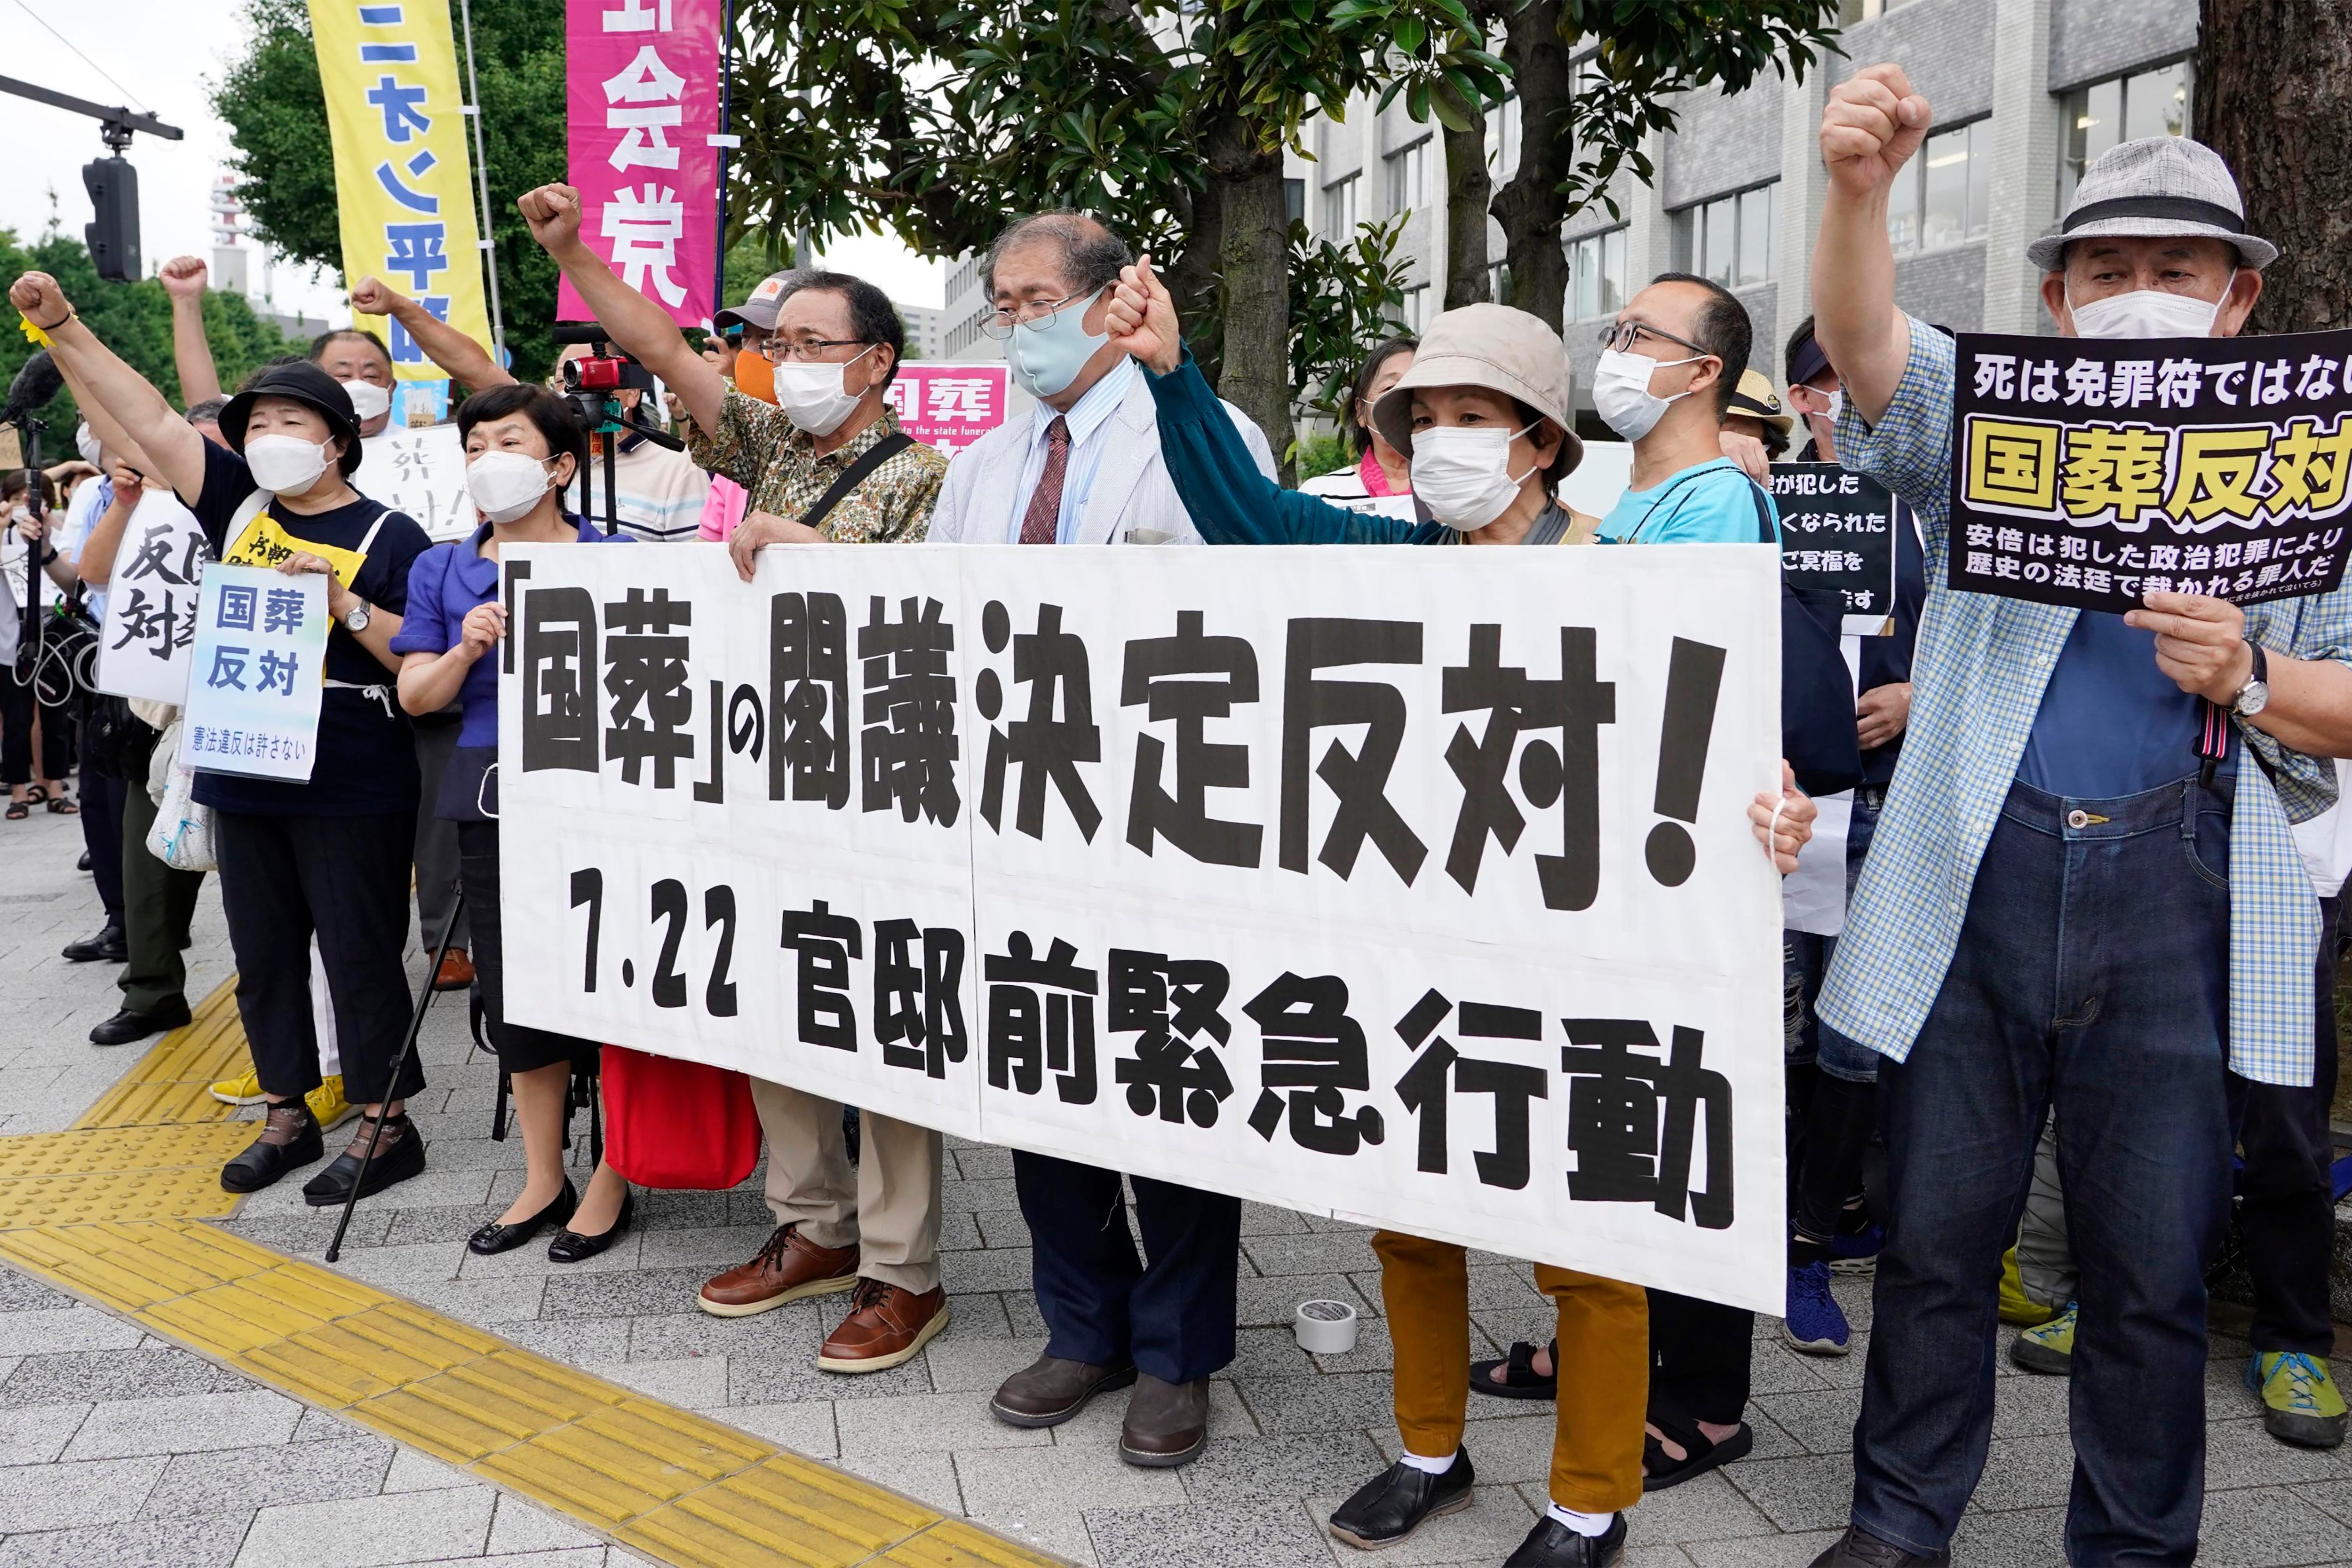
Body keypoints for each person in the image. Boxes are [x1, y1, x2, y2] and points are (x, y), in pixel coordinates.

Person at [1105, 255, 1813, 1565]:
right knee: (1413, 1215)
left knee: (1594, 1245)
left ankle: (1590, 1500)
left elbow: (1728, 745)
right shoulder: (1400, 566)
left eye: (1471, 417)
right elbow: (1252, 518)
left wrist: (1762, 805)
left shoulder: (1635, 572)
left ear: (1542, 440)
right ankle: (1430, 1445)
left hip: (1592, 962)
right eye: (1419, 420)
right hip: (1421, 950)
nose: (1440, 443)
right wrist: (1172, 375)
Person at [1804, 68, 2352, 1568]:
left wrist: (2250, 669)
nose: (2135, 296)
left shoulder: (2317, 459)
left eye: (2172, 271)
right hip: (1980, 865)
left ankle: (2131, 1544)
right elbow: (1865, 355)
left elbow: (2347, 697)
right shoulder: (1996, 421)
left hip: (2189, 883)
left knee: (2150, 1265)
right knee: (1930, 1242)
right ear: (2053, 299)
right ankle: (1896, 1524)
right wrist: (1857, 191)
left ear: (2236, 298)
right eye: (2103, 271)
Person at [517, 180, 956, 1375]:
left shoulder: (934, 474)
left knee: (885, 1021)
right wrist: (578, 253)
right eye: (772, 342)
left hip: (887, 782)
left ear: (873, 362)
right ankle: (807, 1226)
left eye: (810, 344)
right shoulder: (763, 441)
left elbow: (946, 609)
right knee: (785, 1000)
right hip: (767, 778)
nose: (781, 361)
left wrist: (815, 550)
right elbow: (659, 343)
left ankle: (900, 1269)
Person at [15, 268, 436, 1206]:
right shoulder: (240, 506)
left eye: (293, 424)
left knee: (359, 944)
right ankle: (287, 1109)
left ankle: (384, 1121)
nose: (271, 439)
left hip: (351, 763)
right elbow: (155, 418)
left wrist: (342, 601)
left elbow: (417, 652)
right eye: (259, 425)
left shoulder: (392, 533)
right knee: (263, 944)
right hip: (245, 757)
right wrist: (65, 328)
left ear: (337, 440)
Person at [392, 383, 636, 1259]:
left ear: (560, 465)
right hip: (492, 797)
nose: (487, 457)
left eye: (510, 440)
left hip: (606, 802)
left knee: (613, 979)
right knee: (518, 987)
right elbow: (414, 692)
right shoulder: (444, 568)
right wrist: (466, 646)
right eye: (475, 443)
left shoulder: (613, 557)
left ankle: (614, 1170)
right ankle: (544, 1173)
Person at [925, 211, 1277, 547]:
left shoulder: (1225, 439)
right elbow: (939, 595)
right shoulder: (973, 466)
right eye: (1006, 310)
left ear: (1112, 299)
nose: (1020, 323)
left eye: (1041, 303)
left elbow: (1254, 585)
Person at [2, 470, 76, 822]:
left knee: (54, 717)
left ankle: (56, 786)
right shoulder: (2, 534)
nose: (24, 508)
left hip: (52, 638)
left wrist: (48, 537)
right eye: (16, 501)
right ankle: (19, 790)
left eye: (31, 501)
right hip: (9, 642)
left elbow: (72, 579)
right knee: (16, 720)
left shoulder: (59, 534)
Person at [1296, 336, 1417, 518]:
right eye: (1389, 388)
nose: (1402, 399)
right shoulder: (1320, 497)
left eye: (1416, 387)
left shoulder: (1461, 493)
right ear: (1361, 411)